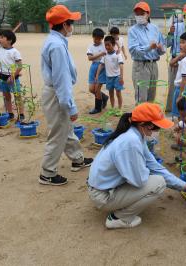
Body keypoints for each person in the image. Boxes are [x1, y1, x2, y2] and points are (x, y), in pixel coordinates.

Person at [87, 103, 186, 229]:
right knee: (159, 183)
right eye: (156, 127)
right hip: (102, 195)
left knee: (154, 175)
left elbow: (154, 165)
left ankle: (120, 207)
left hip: (101, 187)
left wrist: (183, 185)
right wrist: (146, 170)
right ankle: (119, 218)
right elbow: (140, 181)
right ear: (143, 124)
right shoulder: (131, 142)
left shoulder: (134, 133)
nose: (158, 130)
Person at [39, 5, 93, 186]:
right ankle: (47, 172)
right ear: (63, 24)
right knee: (58, 133)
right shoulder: (57, 46)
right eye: (70, 23)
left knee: (66, 129)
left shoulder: (56, 41)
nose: (72, 26)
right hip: (57, 94)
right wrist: (70, 107)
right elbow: (61, 79)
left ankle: (77, 159)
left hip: (55, 92)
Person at [0, 11, 25, 122]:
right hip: (1, 76)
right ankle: (10, 113)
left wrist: (13, 76)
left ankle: (22, 114)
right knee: (6, 96)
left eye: (2, 37)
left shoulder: (15, 52)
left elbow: (20, 66)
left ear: (9, 40)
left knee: (17, 95)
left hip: (12, 77)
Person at [128, 1, 165, 103]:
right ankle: (140, 119)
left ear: (148, 14)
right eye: (137, 14)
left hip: (153, 65)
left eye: (142, 13)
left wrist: (161, 48)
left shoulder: (155, 29)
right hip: (141, 66)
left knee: (151, 96)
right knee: (141, 97)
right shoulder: (132, 30)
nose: (139, 16)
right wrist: (149, 47)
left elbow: (162, 47)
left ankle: (148, 118)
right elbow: (133, 50)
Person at [95, 36, 124, 109]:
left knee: (118, 93)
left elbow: (121, 66)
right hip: (108, 78)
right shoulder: (105, 55)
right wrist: (97, 75)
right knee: (111, 94)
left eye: (109, 45)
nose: (107, 47)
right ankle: (112, 108)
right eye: (105, 45)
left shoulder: (118, 54)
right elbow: (101, 65)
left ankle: (119, 109)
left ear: (113, 45)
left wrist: (121, 77)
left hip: (117, 77)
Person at [87, 28, 109, 114]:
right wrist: (100, 54)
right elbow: (89, 58)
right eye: (96, 38)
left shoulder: (104, 45)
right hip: (93, 67)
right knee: (91, 89)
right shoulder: (90, 46)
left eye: (100, 39)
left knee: (97, 89)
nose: (97, 40)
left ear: (102, 38)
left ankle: (97, 108)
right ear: (93, 37)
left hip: (102, 67)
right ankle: (104, 97)